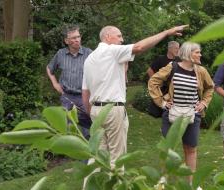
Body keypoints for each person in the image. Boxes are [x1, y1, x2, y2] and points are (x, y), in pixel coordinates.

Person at [82, 25, 188, 169]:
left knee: (96, 157)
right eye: (119, 36)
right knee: (117, 159)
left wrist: (92, 113)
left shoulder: (89, 59)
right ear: (107, 37)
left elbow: (85, 92)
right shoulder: (111, 51)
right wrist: (167, 32)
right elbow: (138, 47)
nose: (122, 40)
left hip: (96, 111)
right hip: (112, 110)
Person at [148, 42, 214, 183]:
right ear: (188, 53)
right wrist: (162, 102)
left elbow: (210, 88)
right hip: (172, 114)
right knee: (167, 149)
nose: (200, 54)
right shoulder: (172, 67)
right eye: (197, 52)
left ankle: (190, 184)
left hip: (192, 115)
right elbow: (153, 82)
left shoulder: (201, 71)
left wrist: (204, 102)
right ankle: (163, 182)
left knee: (190, 149)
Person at [47, 25, 92, 139]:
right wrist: (55, 83)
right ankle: (73, 150)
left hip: (84, 96)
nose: (77, 40)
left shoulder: (89, 53)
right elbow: (49, 68)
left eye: (78, 37)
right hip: (67, 97)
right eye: (73, 38)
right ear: (67, 41)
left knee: (88, 126)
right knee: (69, 127)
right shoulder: (60, 54)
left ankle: (89, 153)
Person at [147, 41, 180, 118]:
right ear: (169, 48)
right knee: (158, 110)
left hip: (173, 89)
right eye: (176, 48)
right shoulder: (161, 59)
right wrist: (157, 82)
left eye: (178, 48)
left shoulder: (179, 61)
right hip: (162, 89)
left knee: (171, 110)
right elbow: (150, 71)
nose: (178, 50)